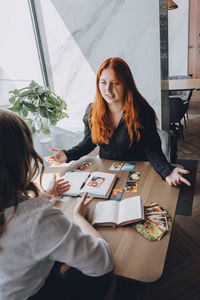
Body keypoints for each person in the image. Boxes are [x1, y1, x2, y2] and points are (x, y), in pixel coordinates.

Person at [0, 109, 113, 300]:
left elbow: (19, 219)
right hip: (36, 294)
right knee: (102, 276)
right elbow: (103, 260)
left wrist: (45, 194)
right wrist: (78, 218)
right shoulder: (37, 218)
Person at [46, 57, 190, 187]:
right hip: (106, 173)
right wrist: (67, 155)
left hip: (137, 172)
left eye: (115, 83)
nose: (108, 89)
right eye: (103, 82)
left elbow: (152, 149)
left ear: (126, 84)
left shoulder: (142, 112)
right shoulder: (92, 110)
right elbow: (89, 141)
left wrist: (167, 171)